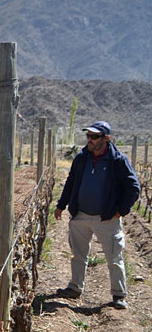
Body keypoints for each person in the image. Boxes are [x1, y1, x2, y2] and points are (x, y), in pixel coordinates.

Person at [54, 121, 140, 310]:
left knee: (114, 257)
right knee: (78, 254)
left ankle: (118, 294)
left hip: (107, 218)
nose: (89, 140)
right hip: (81, 215)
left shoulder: (118, 161)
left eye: (94, 137)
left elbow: (133, 188)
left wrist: (120, 211)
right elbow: (71, 181)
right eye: (88, 136)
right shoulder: (82, 158)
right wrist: (61, 205)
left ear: (106, 139)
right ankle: (75, 287)